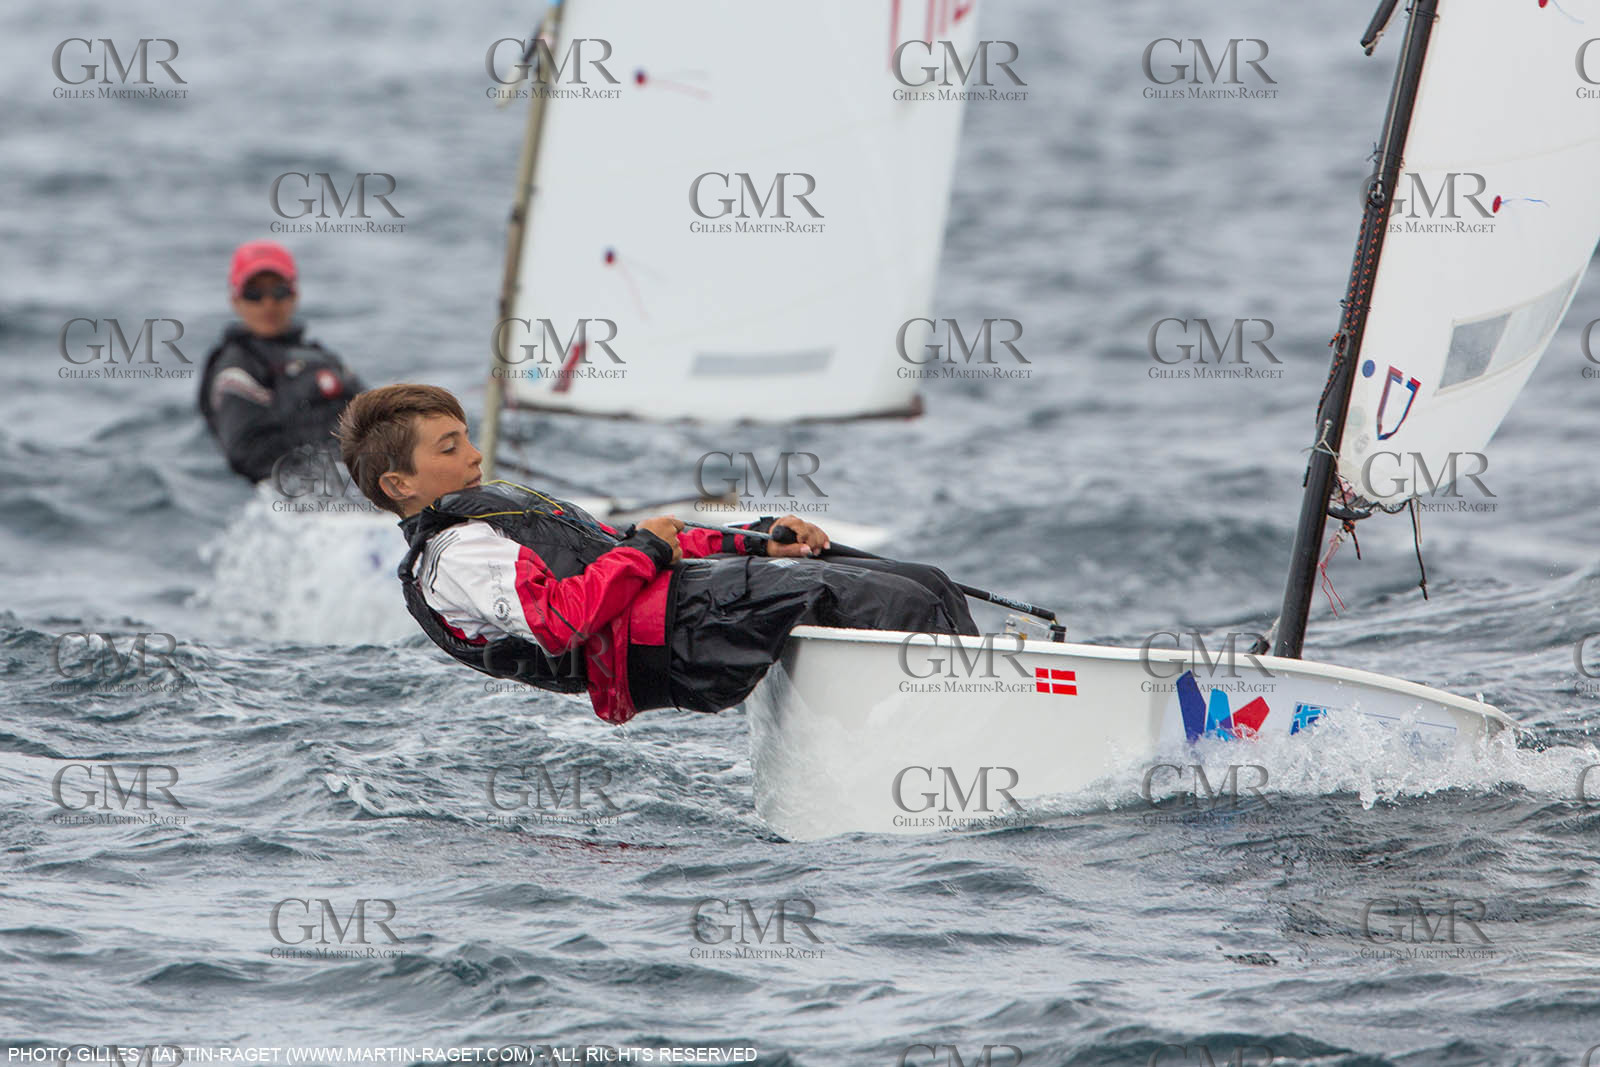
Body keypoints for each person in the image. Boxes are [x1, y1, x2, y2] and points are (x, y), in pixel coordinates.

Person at [334, 384, 978, 724]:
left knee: (924, 580)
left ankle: (987, 701)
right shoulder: (453, 557)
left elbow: (634, 551)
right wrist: (644, 546)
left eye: (466, 438)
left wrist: (759, 536)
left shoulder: (492, 512)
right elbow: (559, 624)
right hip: (668, 643)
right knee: (891, 602)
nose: (473, 456)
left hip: (684, 605)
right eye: (448, 448)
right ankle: (940, 735)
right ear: (401, 485)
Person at [198, 240, 365, 483]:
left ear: (294, 295)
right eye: (254, 294)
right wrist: (329, 474)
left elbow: (374, 416)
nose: (268, 303)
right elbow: (247, 452)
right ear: (235, 300)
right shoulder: (237, 366)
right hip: (308, 496)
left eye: (279, 291)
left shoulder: (323, 357)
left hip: (362, 480)